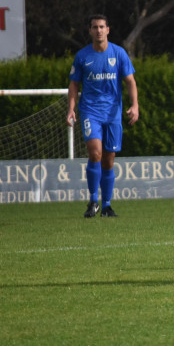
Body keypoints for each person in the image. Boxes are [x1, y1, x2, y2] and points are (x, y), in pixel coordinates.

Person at [67, 14, 139, 218]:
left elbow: (130, 82)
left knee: (108, 160)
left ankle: (106, 205)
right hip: (91, 111)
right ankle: (93, 201)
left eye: (101, 27)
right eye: (94, 27)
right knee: (95, 152)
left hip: (113, 113)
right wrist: (71, 108)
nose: (98, 30)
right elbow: (74, 84)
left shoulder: (119, 53)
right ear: (90, 31)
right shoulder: (82, 56)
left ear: (108, 30)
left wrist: (135, 105)